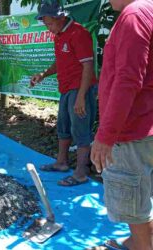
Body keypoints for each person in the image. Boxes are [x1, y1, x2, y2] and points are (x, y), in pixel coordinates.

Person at [90, 0, 153, 249]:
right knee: (143, 196)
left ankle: (141, 243)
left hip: (131, 132)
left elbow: (128, 79)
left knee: (134, 208)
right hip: (145, 126)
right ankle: (136, 242)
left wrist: (105, 136)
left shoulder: (133, 15)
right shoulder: (147, 10)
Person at [30, 0, 98, 187]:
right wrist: (43, 74)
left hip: (80, 89)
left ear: (60, 17)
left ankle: (81, 172)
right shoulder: (59, 35)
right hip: (67, 88)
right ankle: (61, 162)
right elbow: (60, 62)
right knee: (63, 126)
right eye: (45, 24)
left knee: (80, 130)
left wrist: (82, 96)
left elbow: (88, 66)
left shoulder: (78, 33)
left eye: (49, 23)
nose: (48, 27)